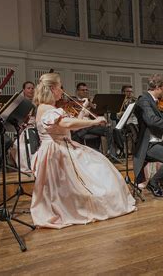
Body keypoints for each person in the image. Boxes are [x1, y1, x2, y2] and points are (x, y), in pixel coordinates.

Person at [30, 73, 136, 228]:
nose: (62, 90)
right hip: (57, 150)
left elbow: (66, 127)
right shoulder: (46, 108)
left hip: (62, 145)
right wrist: (93, 121)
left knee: (99, 166)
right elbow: (66, 124)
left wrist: (84, 112)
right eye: (60, 87)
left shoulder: (50, 108)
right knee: (93, 177)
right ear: (52, 88)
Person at [71, 82, 120, 159]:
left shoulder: (91, 102)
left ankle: (112, 154)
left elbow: (95, 115)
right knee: (84, 128)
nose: (85, 91)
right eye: (82, 90)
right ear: (77, 91)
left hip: (90, 126)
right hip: (81, 126)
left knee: (109, 130)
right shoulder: (73, 102)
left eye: (86, 90)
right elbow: (74, 116)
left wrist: (93, 108)